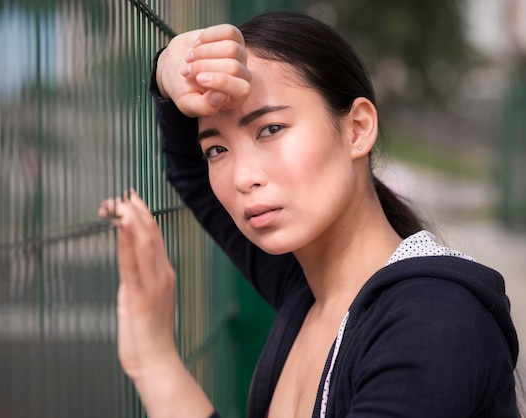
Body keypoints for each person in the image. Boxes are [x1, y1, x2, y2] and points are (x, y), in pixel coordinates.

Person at [99, 12, 520, 417]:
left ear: (357, 128)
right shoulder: (309, 290)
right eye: (217, 149)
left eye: (270, 129)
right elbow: (189, 171)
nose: (243, 178)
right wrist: (169, 66)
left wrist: (157, 365)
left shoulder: (434, 319)